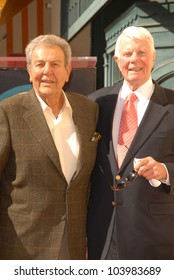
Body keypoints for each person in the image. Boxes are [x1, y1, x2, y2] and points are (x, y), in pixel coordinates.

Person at [0, 34, 99, 260]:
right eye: (40, 64)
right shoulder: (8, 112)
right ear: (29, 71)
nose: (47, 71)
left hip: (73, 245)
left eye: (55, 64)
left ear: (67, 71)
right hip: (22, 248)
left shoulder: (88, 110)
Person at [87, 26, 174, 260]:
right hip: (102, 237)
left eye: (141, 53)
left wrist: (165, 170)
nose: (134, 60)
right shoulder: (95, 103)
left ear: (153, 57)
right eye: (127, 54)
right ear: (117, 60)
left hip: (154, 240)